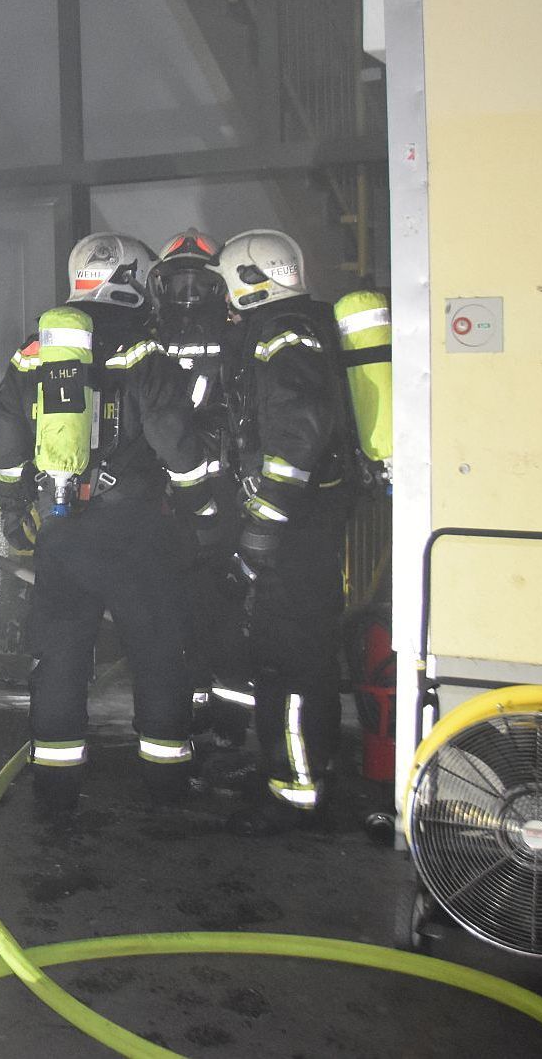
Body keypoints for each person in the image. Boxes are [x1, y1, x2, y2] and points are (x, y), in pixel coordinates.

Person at [0, 233, 212, 824]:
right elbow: (173, 437)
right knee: (158, 652)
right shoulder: (142, 348)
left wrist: (14, 505)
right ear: (132, 279)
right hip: (137, 528)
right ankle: (165, 786)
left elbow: (8, 430)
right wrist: (202, 505)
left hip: (61, 526)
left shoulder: (35, 349)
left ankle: (55, 789)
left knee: (60, 655)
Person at [214, 228, 354, 835]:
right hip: (308, 519)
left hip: (296, 525)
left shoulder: (281, 334)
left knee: (291, 658)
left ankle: (295, 789)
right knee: (289, 649)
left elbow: (296, 433)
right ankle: (293, 766)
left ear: (246, 282)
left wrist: (264, 523)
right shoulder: (307, 322)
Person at [150, 229, 252, 747]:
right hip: (168, 496)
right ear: (160, 285)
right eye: (179, 281)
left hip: (220, 493)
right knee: (174, 608)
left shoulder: (239, 337)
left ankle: (231, 719)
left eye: (199, 281)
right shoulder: (147, 338)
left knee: (224, 607)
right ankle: (187, 709)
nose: (188, 292)